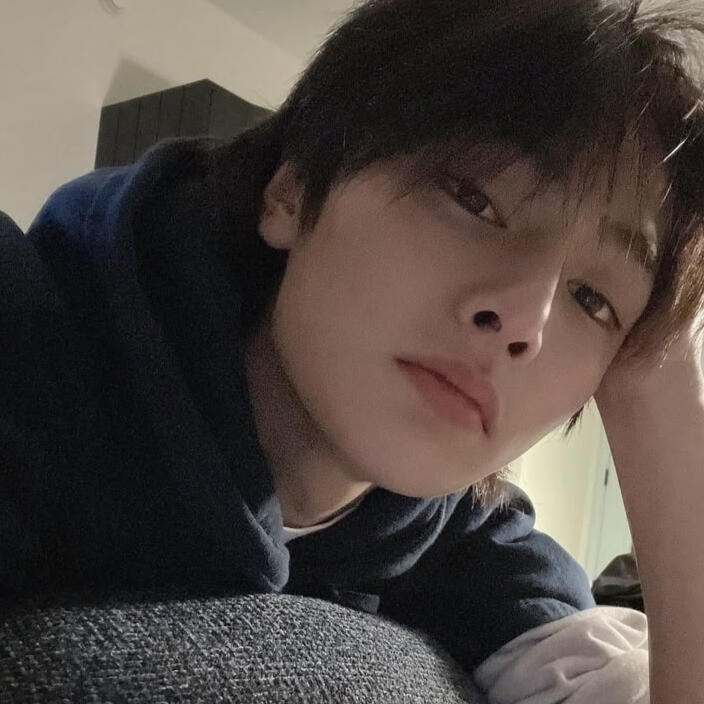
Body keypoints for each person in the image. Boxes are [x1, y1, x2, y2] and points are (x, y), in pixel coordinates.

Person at [2, 0, 704, 700]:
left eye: (593, 299)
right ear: (293, 187)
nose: (527, 322)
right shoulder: (32, 341)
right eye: (475, 200)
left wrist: (671, 425)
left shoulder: (471, 549)